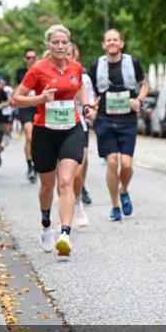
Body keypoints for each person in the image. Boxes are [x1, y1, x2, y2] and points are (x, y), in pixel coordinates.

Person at [12, 25, 94, 257]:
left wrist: (86, 105)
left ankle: (65, 234)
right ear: (47, 45)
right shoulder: (37, 69)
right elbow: (16, 99)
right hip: (44, 132)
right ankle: (46, 224)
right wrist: (39, 98)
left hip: (71, 129)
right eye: (55, 42)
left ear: (69, 45)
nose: (60, 47)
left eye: (64, 43)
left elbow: (79, 88)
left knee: (66, 181)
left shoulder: (76, 67)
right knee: (47, 185)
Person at [88, 29, 148, 221]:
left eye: (115, 39)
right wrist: (92, 104)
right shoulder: (96, 65)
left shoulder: (133, 62)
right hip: (105, 117)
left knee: (127, 164)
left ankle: (124, 190)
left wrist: (138, 100)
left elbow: (144, 84)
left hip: (127, 118)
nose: (112, 42)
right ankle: (114, 206)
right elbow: (89, 90)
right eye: (108, 40)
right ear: (103, 44)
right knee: (112, 161)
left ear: (121, 43)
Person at [69, 44, 93, 228]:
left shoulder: (83, 78)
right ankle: (64, 213)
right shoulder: (47, 74)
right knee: (62, 178)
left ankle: (77, 202)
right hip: (55, 128)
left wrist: (90, 109)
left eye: (70, 53)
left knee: (78, 171)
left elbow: (89, 103)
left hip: (79, 127)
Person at [15, 47, 39, 183]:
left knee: (37, 138)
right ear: (25, 59)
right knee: (29, 135)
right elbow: (19, 90)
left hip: (39, 107)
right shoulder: (20, 73)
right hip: (25, 107)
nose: (31, 60)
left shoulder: (41, 70)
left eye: (33, 57)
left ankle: (37, 164)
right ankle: (30, 166)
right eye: (29, 57)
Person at [0, 74, 15, 167]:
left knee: (6, 137)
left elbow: (10, 101)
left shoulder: (5, 91)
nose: (1, 83)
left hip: (4, 118)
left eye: (2, 82)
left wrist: (1, 105)